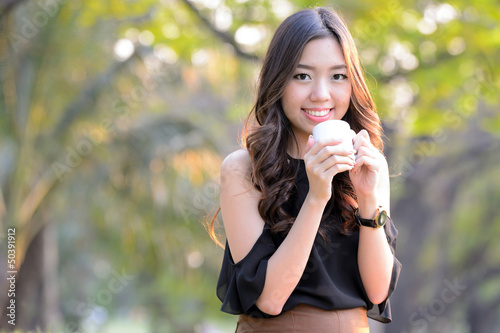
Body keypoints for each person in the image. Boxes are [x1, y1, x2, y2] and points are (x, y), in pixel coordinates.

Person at [210, 6, 402, 332]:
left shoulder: (368, 166)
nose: (321, 94)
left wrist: (368, 199)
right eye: (302, 76)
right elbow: (270, 299)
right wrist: (316, 197)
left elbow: (377, 290)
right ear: (278, 82)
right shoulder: (244, 169)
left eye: (338, 76)